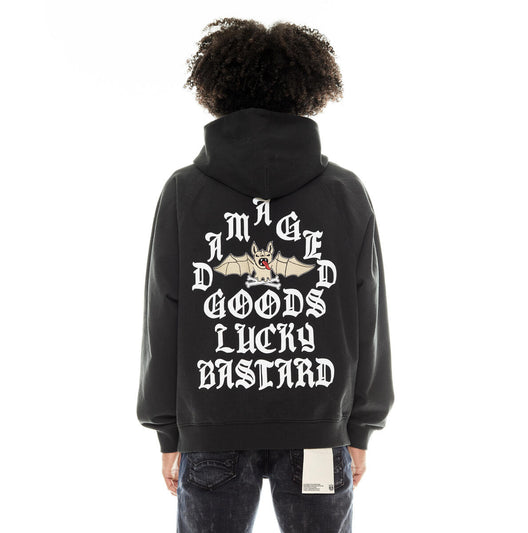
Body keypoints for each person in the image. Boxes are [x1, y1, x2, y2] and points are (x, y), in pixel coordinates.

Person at [136, 17, 395, 533]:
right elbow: (369, 315)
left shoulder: (184, 191)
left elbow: (163, 313)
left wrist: (169, 430)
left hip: (212, 432)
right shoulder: (345, 192)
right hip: (318, 432)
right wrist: (361, 426)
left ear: (218, 88)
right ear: (308, 89)